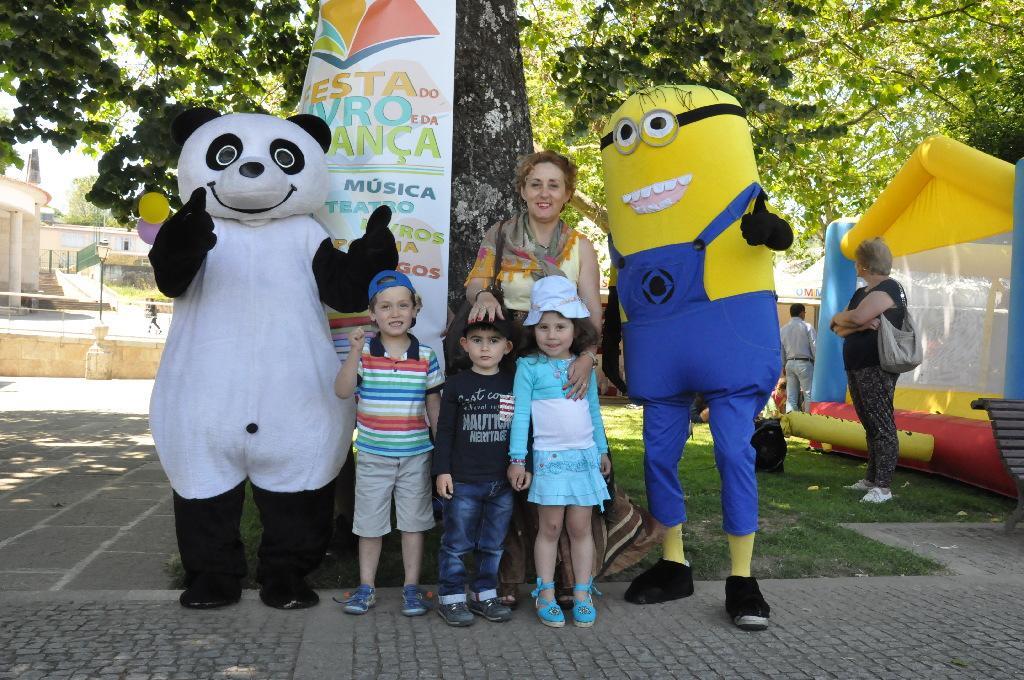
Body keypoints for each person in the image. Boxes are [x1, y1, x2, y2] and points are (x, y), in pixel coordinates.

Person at [463, 150, 621, 608]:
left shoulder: (581, 246)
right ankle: (506, 575)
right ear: (523, 190)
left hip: (562, 356)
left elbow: (591, 311)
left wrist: (587, 357)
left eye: (554, 184)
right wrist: (483, 297)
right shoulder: (499, 234)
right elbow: (475, 282)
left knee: (566, 453)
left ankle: (572, 577)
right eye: (536, 184)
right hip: (507, 354)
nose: (544, 193)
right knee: (508, 454)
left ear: (568, 193)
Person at [334, 270, 444, 615]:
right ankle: (366, 586)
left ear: (415, 309)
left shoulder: (426, 356)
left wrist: (442, 451)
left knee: (414, 523)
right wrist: (354, 352)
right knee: (369, 524)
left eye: (402, 305)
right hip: (373, 455)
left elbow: (434, 406)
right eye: (385, 306)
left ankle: (411, 587)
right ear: (372, 314)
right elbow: (342, 391)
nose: (394, 313)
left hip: (415, 455)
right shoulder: (365, 353)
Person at [508, 276, 611, 628]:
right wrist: (517, 460)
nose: (552, 335)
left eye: (560, 326)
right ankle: (546, 593)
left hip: (583, 460)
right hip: (549, 461)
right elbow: (520, 416)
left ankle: (582, 593)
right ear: (533, 329)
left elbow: (593, 411)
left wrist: (602, 450)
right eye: (544, 327)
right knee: (550, 527)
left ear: (575, 329)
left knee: (580, 527)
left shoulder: (584, 367)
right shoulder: (528, 368)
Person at [432, 313, 517, 627]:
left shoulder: (511, 383)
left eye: (493, 341)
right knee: (456, 544)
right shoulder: (457, 384)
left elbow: (518, 426)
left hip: (501, 482)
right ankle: (451, 598)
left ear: (507, 347)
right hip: (463, 481)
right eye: (477, 341)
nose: (485, 348)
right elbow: (445, 431)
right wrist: (442, 471)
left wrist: (522, 465)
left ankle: (484, 594)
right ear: (464, 344)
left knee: (493, 544)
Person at [829, 238, 906, 504]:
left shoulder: (889, 288)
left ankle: (883, 487)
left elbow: (854, 317)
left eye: (857, 262)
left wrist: (847, 319)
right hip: (856, 364)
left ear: (864, 265)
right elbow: (838, 327)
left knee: (881, 424)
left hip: (876, 366)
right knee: (870, 423)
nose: (855, 266)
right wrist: (851, 323)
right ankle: (871, 480)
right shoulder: (862, 293)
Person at [779, 303, 815, 412]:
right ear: (801, 313)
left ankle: (791, 420)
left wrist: (784, 365)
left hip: (789, 363)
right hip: (805, 363)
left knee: (791, 397)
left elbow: (781, 350)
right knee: (808, 395)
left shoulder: (783, 329)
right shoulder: (807, 327)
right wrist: (817, 362)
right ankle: (809, 420)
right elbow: (814, 346)